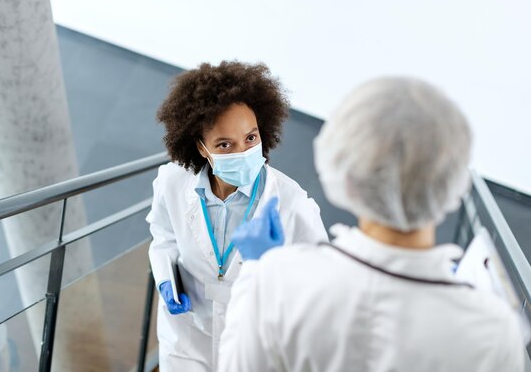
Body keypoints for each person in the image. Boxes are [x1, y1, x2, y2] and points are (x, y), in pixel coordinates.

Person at [219, 76, 525, 372]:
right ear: (450, 181)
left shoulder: (278, 284)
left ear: (346, 177)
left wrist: (258, 273)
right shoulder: (492, 331)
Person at [146, 61, 328, 372]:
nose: (242, 151)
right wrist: (165, 279)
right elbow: (164, 236)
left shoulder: (292, 204)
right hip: (188, 338)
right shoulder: (172, 182)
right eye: (224, 144)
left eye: (251, 138)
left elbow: (320, 283)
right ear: (202, 148)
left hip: (256, 347)